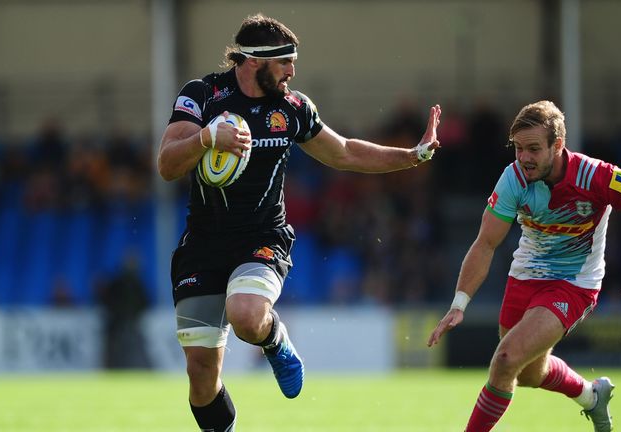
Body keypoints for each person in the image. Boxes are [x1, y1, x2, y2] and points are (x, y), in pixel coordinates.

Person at [157, 13, 441, 431]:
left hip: (262, 238)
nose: (293, 71)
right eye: (285, 62)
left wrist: (411, 155)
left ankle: (274, 339)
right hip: (201, 246)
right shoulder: (202, 95)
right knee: (201, 376)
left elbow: (343, 152)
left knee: (246, 313)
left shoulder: (293, 108)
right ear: (254, 61)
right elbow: (166, 164)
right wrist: (206, 139)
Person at [427, 100, 621, 432]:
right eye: (518, 148)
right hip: (524, 277)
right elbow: (486, 243)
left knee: (504, 360)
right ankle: (591, 395)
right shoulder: (513, 178)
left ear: (557, 145)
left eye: (533, 149)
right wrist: (460, 303)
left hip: (573, 284)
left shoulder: (597, 176)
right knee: (528, 374)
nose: (524, 158)